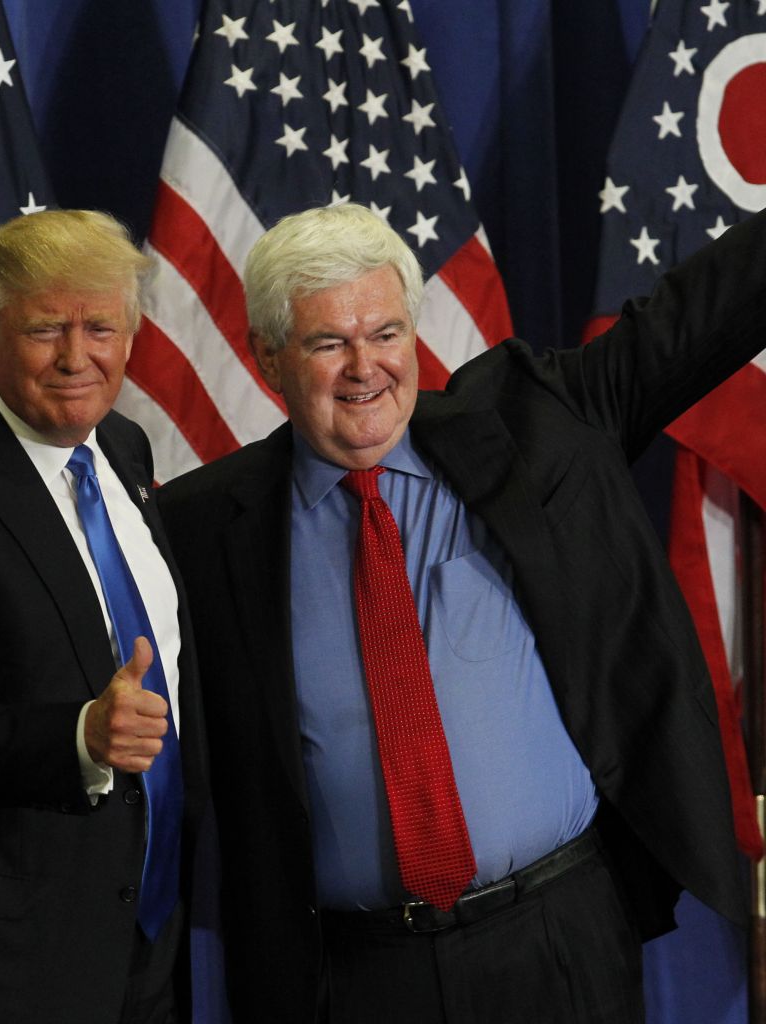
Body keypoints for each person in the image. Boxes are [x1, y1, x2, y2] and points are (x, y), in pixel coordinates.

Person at [158, 202, 756, 1024]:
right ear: (268, 359)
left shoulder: (534, 427)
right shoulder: (200, 529)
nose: (365, 367)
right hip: (352, 977)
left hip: (558, 938)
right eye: (329, 342)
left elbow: (702, 316)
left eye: (386, 333)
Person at [0, 210, 208, 1024]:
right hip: (14, 962)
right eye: (47, 329)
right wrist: (81, 736)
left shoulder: (124, 446)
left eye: (101, 327)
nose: (78, 357)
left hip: (152, 933)